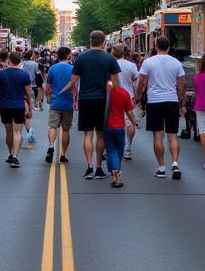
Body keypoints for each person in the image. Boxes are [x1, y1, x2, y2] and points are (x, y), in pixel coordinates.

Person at [63, 30, 120, 179]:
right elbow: (116, 84)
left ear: (90, 41)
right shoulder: (110, 58)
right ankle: (99, 168)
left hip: (86, 99)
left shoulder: (81, 58)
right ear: (103, 42)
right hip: (103, 99)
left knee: (88, 134)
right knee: (101, 135)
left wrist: (64, 90)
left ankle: (89, 166)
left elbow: (73, 80)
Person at [136, 36, 186, 180]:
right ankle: (175, 163)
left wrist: (138, 97)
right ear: (169, 46)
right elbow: (181, 85)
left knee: (158, 136)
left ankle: (162, 167)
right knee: (172, 135)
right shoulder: (176, 63)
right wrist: (182, 104)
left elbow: (142, 82)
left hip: (155, 102)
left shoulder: (148, 62)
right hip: (172, 101)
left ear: (156, 46)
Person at [0, 51, 34, 168]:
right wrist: (30, 108)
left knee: (8, 131)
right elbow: (28, 93)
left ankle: (10, 153)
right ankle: (15, 157)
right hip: (18, 106)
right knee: (17, 132)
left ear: (9, 61)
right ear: (20, 61)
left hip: (5, 106)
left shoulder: (1, 74)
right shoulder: (24, 75)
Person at [44, 46, 74, 164]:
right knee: (65, 130)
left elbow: (48, 86)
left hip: (55, 101)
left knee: (52, 126)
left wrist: (49, 98)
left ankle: (51, 146)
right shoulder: (72, 69)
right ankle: (63, 154)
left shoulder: (52, 68)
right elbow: (74, 86)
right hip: (67, 102)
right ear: (68, 55)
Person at [104, 80, 136, 188]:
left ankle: (116, 175)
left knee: (111, 151)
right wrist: (133, 122)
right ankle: (115, 174)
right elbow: (129, 111)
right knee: (118, 152)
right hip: (120, 127)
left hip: (108, 126)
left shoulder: (106, 93)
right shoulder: (124, 92)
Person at [113, 44, 140, 160]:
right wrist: (138, 97)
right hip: (129, 96)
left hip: (114, 97)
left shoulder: (110, 64)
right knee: (130, 122)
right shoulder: (131, 65)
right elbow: (136, 82)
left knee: (115, 122)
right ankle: (128, 147)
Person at [21, 51, 42, 135]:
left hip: (21, 87)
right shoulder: (35, 64)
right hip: (31, 86)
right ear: (32, 55)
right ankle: (28, 127)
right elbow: (38, 74)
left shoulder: (21, 64)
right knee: (29, 109)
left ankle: (26, 126)